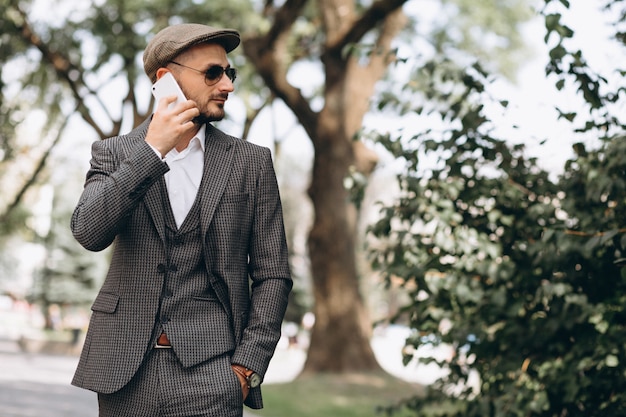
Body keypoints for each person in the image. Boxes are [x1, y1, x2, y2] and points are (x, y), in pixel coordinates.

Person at [70, 23, 292, 417]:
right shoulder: (114, 154)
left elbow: (273, 273)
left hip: (212, 374)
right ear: (166, 79)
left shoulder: (250, 163)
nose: (227, 85)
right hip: (124, 370)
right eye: (212, 73)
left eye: (230, 72)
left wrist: (246, 367)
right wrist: (153, 151)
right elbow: (88, 230)